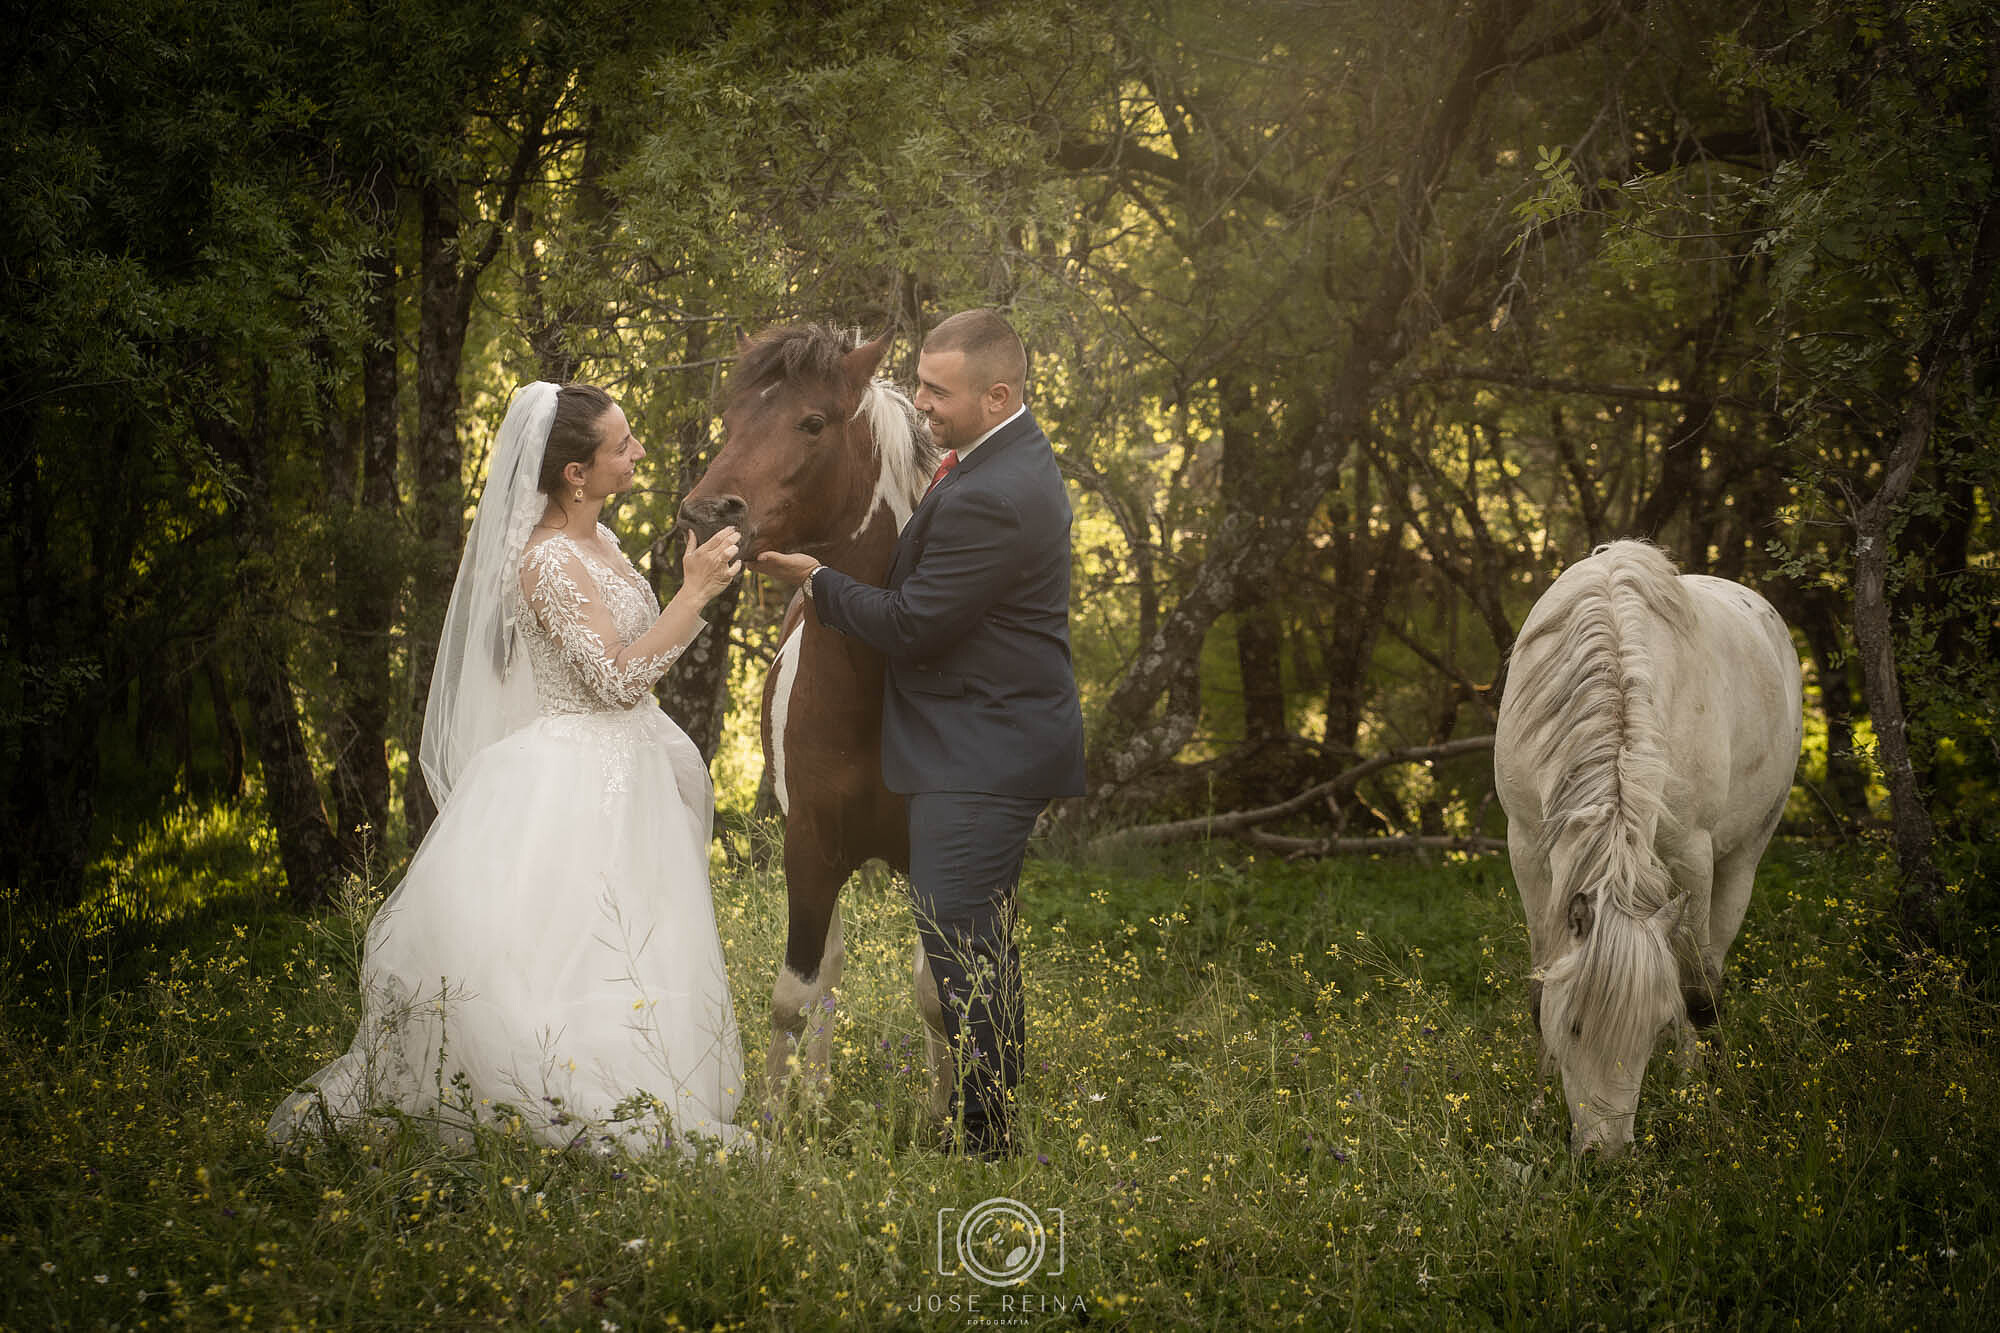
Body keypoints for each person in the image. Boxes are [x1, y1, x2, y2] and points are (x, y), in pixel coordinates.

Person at [268, 381, 751, 1156]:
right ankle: (562, 1093)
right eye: (622, 444)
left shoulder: (603, 542)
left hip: (629, 770)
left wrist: (689, 589)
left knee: (632, 942)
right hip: (576, 778)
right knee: (571, 947)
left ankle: (650, 1079)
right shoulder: (547, 561)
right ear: (575, 474)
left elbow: (633, 651)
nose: (638, 452)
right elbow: (617, 679)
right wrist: (693, 596)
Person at [756, 309, 1086, 1159]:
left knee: (963, 949)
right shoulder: (992, 459)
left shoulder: (995, 494)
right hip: (981, 736)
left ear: (997, 395)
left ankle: (985, 1141)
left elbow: (914, 623)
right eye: (921, 385)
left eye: (939, 391)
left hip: (984, 753)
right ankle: (987, 1124)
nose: (922, 402)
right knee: (972, 945)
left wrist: (818, 580)